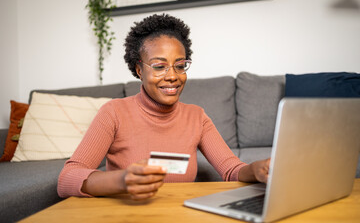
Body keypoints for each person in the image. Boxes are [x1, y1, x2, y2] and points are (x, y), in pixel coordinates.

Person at [57, 14, 270, 201]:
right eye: (159, 66)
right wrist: (122, 180)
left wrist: (258, 169)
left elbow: (231, 169)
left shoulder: (197, 117)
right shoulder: (113, 113)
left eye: (179, 66)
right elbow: (67, 178)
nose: (172, 76)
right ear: (139, 69)